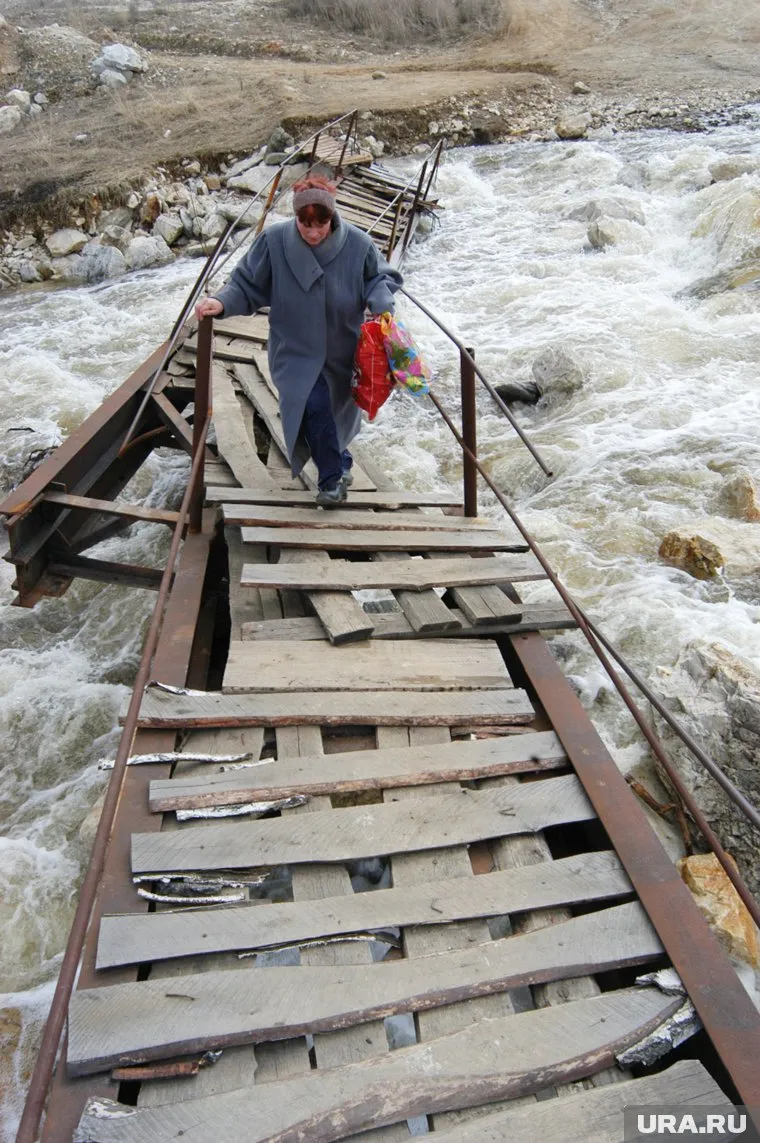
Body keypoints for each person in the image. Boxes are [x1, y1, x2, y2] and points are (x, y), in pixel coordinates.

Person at [195, 174, 403, 506]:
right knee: (312, 405)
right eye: (305, 224)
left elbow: (380, 278)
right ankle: (332, 482)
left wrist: (381, 307)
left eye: (320, 223)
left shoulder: (359, 245)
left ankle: (340, 461)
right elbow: (245, 283)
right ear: (295, 218)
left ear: (331, 217)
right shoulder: (273, 241)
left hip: (341, 350)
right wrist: (220, 303)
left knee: (333, 416)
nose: (313, 232)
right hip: (293, 350)